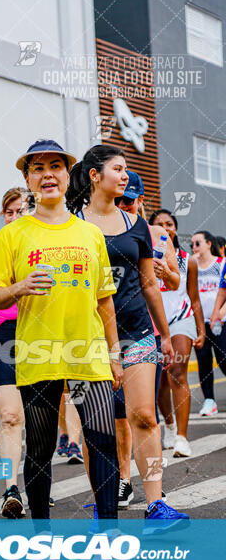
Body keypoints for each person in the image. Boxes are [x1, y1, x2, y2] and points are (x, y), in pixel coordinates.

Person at [0, 139, 123, 530]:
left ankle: (109, 534)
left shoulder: (90, 234)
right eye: (38, 168)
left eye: (55, 166)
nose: (48, 174)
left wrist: (114, 353)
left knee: (102, 441)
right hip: (38, 352)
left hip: (88, 351)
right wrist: (19, 287)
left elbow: (105, 301)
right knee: (41, 448)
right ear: (28, 179)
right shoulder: (13, 235)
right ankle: (41, 532)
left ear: (67, 175)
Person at [66, 145, 189, 527]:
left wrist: (165, 336)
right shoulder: (72, 225)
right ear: (94, 175)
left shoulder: (135, 225)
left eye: (126, 170)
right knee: (97, 428)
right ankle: (104, 506)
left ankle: (156, 505)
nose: (124, 176)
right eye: (117, 169)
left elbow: (149, 283)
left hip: (136, 331)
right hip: (88, 338)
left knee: (144, 416)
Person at [113, 176, 180, 506]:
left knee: (144, 415)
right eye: (120, 201)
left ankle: (155, 484)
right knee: (117, 417)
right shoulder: (105, 230)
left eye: (131, 201)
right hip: (111, 331)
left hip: (147, 329)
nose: (125, 206)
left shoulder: (156, 234)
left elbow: (174, 279)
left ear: (141, 201)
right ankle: (123, 480)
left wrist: (161, 271)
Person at [149, 210, 205, 457]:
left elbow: (194, 298)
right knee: (160, 380)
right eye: (159, 225)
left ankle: (182, 437)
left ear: (175, 228)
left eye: (169, 224)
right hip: (153, 323)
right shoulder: (144, 258)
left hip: (181, 319)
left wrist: (201, 329)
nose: (165, 228)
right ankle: (169, 427)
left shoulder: (188, 260)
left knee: (178, 371)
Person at [0, 187, 28, 518]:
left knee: (40, 419)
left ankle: (40, 481)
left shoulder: (47, 244)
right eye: (9, 211)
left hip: (43, 335)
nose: (14, 217)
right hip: (3, 336)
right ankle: (11, 489)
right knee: (10, 416)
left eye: (21, 211)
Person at [191, 231, 226, 416]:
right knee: (203, 361)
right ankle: (209, 401)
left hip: (220, 322)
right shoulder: (192, 266)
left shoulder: (220, 265)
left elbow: (223, 292)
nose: (194, 247)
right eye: (192, 244)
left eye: (197, 243)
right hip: (200, 323)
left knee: (223, 359)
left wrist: (219, 314)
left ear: (208, 244)